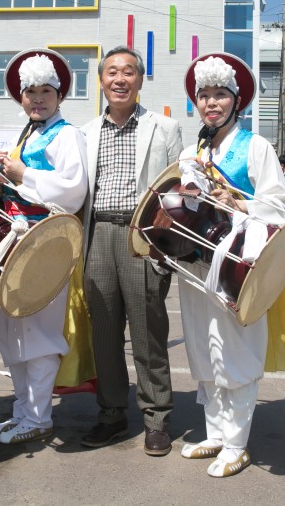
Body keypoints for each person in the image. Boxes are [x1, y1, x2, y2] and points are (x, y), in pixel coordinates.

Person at [173, 53, 285, 477]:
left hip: (241, 260)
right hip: (197, 262)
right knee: (203, 346)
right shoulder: (191, 151)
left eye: (220, 95)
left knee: (237, 347)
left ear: (237, 101)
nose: (211, 103)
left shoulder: (256, 146)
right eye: (204, 96)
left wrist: (240, 202)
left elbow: (278, 205)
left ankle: (237, 442)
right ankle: (215, 432)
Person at [81, 45, 182, 456]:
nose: (119, 79)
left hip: (142, 238)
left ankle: (157, 418)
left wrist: (167, 232)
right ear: (101, 81)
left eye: (128, 72)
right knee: (103, 333)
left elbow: (180, 186)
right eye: (111, 72)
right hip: (98, 235)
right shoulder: (84, 133)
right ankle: (110, 413)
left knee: (148, 331)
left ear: (140, 80)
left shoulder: (165, 128)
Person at [0, 49, 91, 444]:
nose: (38, 98)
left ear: (60, 96)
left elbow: (73, 192)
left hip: (45, 242)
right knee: (12, 331)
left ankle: (39, 417)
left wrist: (21, 172)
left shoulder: (67, 134)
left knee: (39, 334)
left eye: (46, 91)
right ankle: (23, 412)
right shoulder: (26, 134)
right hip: (13, 239)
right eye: (30, 92)